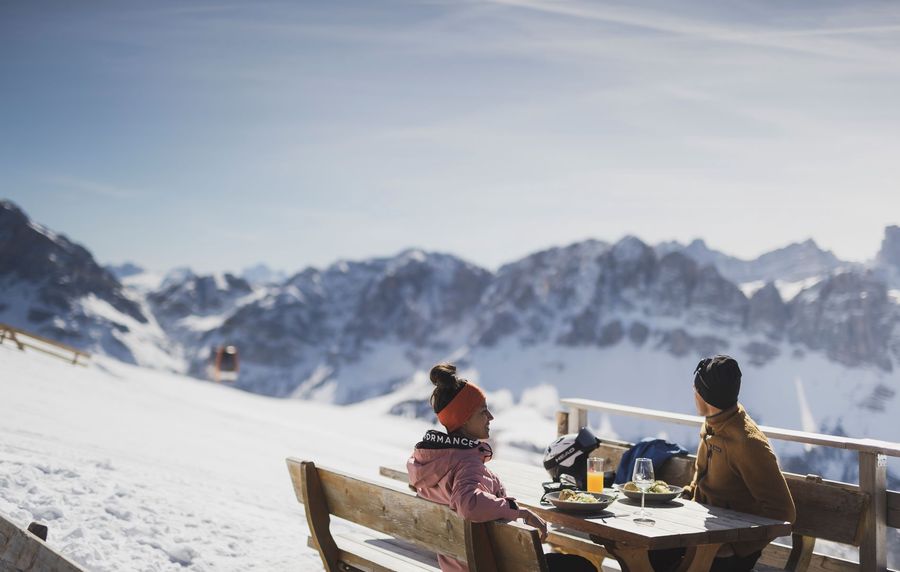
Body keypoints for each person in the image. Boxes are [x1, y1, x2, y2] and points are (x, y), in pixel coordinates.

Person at [407, 363, 596, 572]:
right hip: (487, 566)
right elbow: (468, 504)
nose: (490, 417)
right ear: (464, 419)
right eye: (483, 411)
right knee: (582, 567)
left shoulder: (433, 461)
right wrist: (520, 511)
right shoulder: (466, 463)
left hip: (459, 565)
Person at [651, 355, 796, 572]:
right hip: (698, 532)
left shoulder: (747, 443)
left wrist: (735, 547)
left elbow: (784, 512)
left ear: (704, 396)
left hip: (726, 553)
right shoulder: (713, 423)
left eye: (695, 388)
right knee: (650, 552)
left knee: (657, 559)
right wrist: (682, 497)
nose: (693, 392)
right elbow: (701, 481)